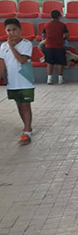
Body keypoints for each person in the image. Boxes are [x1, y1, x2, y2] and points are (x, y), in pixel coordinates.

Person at [0, 18, 35, 146]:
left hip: (25, 81)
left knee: (25, 106)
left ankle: (27, 131)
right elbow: (2, 64)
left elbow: (22, 60)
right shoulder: (3, 46)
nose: (11, 33)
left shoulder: (26, 44)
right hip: (12, 82)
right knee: (19, 105)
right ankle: (27, 126)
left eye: (14, 30)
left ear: (20, 30)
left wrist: (11, 46)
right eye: (8, 30)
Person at [42, 9, 69, 84]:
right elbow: (67, 35)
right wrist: (63, 38)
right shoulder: (62, 25)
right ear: (59, 16)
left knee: (49, 63)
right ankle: (60, 79)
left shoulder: (46, 24)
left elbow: (43, 35)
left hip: (49, 46)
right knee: (60, 62)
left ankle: (49, 79)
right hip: (59, 46)